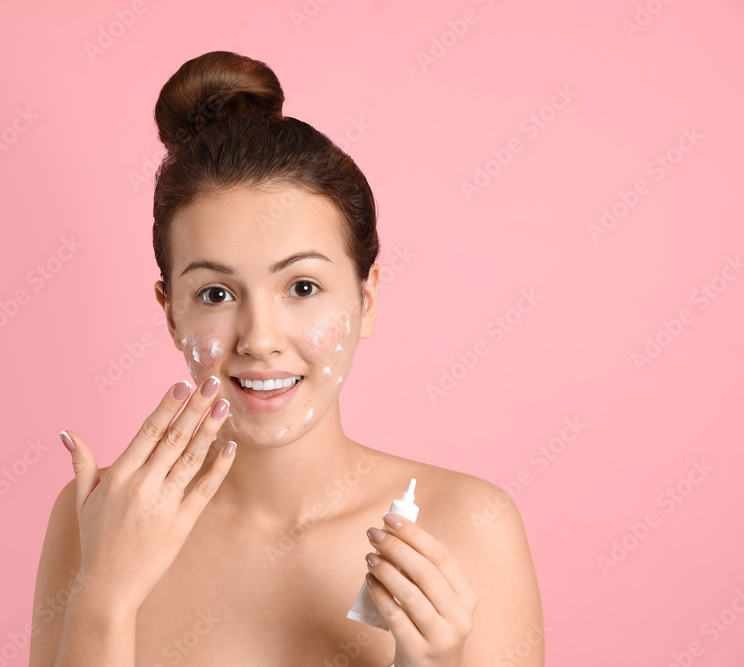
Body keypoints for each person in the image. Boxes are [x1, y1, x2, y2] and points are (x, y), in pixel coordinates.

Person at [29, 50, 543, 667]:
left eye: (302, 287)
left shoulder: (470, 525)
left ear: (367, 297)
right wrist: (103, 598)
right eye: (216, 294)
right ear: (171, 313)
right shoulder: (100, 518)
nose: (259, 338)